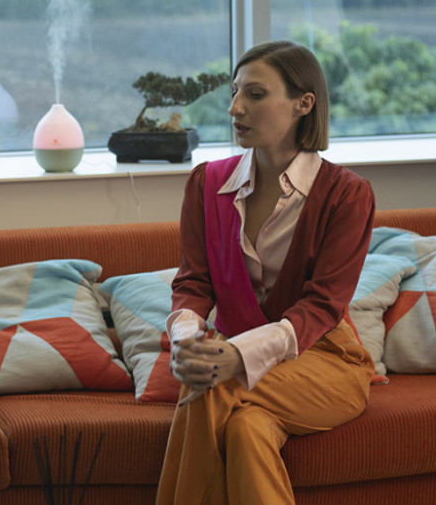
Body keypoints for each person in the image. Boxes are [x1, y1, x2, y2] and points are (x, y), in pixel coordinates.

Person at [155, 41, 376, 505]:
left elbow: (323, 306)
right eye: (235, 93)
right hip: (233, 355)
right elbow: (194, 283)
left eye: (255, 94)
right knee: (247, 430)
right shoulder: (206, 184)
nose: (235, 108)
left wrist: (234, 357)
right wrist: (187, 341)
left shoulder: (346, 195)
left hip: (325, 362)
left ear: (303, 104)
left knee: (211, 385)